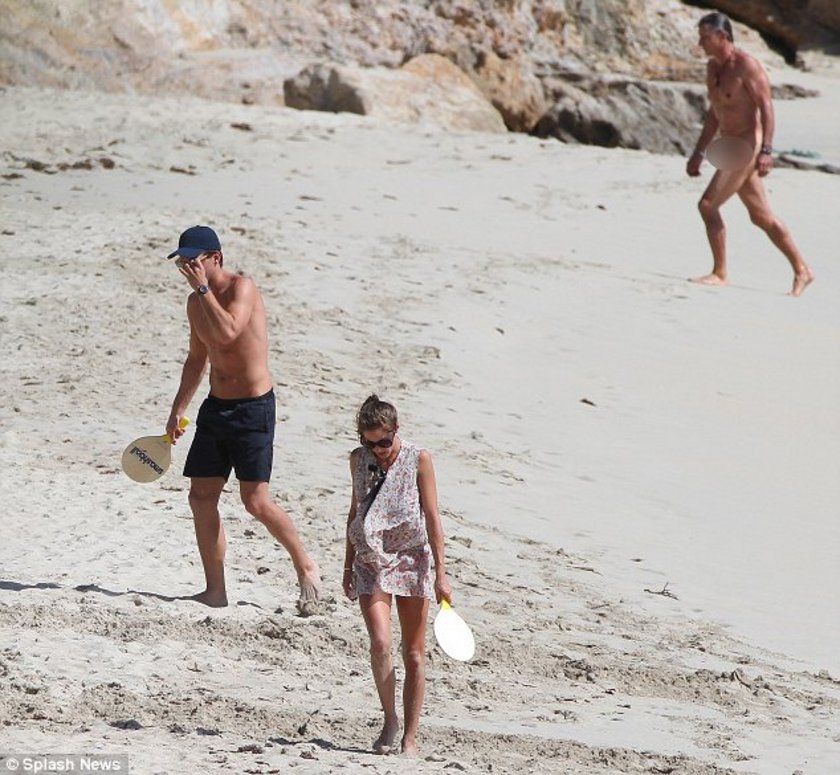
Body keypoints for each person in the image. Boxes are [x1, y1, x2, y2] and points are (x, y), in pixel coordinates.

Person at [164, 225, 321, 612]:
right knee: (200, 497)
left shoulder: (242, 288)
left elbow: (229, 332)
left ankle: (305, 565)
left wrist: (204, 290)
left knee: (255, 501)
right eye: (183, 262)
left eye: (194, 260)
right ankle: (215, 591)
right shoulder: (194, 302)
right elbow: (197, 358)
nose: (187, 267)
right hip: (216, 407)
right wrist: (178, 408)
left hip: (253, 408)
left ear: (215, 258)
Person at [342, 395, 452, 757]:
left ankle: (410, 736)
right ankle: (390, 720)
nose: (378, 450)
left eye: (384, 442)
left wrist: (441, 574)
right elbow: (354, 513)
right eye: (370, 443)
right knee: (379, 643)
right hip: (370, 560)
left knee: (415, 655)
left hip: (411, 559)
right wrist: (347, 566)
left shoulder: (419, 460)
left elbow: (432, 517)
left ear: (396, 431)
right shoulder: (358, 460)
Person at [686, 12, 814, 297]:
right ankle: (802, 270)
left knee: (708, 205)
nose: (700, 43)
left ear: (723, 36)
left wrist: (767, 150)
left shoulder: (746, 66)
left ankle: (720, 273)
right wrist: (698, 152)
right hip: (729, 143)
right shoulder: (712, 68)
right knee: (761, 216)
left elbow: (766, 108)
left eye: (705, 37)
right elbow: (714, 114)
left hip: (746, 144)